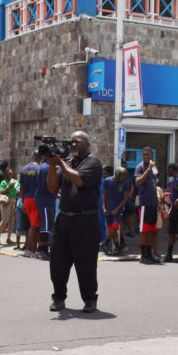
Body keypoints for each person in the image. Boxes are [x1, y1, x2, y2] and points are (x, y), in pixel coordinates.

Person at [46, 131, 103, 312]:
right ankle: (58, 298)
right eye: (70, 142)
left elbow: (79, 180)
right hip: (64, 219)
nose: (72, 145)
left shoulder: (93, 163)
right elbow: (53, 187)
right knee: (57, 262)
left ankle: (90, 299)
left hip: (86, 220)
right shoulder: (68, 164)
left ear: (87, 145)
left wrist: (59, 163)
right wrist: (50, 166)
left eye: (77, 142)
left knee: (85, 264)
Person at [134, 147, 161, 265]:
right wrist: (148, 169)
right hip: (144, 204)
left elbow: (155, 181)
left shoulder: (153, 167)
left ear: (151, 156)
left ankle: (150, 255)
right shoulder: (140, 167)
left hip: (153, 203)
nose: (145, 157)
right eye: (144, 155)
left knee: (151, 230)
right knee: (143, 231)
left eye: (148, 155)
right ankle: (143, 255)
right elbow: (138, 182)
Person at [102, 167, 130, 256]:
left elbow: (126, 198)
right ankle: (117, 248)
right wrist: (104, 208)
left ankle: (105, 243)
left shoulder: (125, 183)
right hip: (108, 209)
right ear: (117, 175)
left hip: (118, 210)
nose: (124, 177)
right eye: (122, 175)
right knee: (112, 230)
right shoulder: (107, 181)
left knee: (115, 227)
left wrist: (117, 209)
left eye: (124, 175)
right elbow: (104, 195)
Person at [34, 152, 57, 260]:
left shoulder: (43, 167)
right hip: (46, 201)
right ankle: (43, 249)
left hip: (44, 200)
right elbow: (46, 185)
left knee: (46, 225)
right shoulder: (47, 168)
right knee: (46, 227)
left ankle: (42, 248)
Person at [19, 152, 40, 258]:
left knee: (32, 226)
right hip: (35, 199)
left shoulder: (23, 169)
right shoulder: (38, 169)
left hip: (26, 199)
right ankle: (31, 250)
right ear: (39, 157)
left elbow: (21, 188)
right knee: (35, 227)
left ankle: (29, 249)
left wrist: (23, 202)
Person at [0, 167, 18, 249]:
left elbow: (18, 192)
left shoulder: (16, 182)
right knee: (5, 220)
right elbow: (1, 192)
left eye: (12, 173)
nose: (11, 174)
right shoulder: (3, 182)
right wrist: (9, 186)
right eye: (9, 173)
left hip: (14, 201)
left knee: (12, 221)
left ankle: (8, 238)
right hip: (6, 201)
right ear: (6, 174)